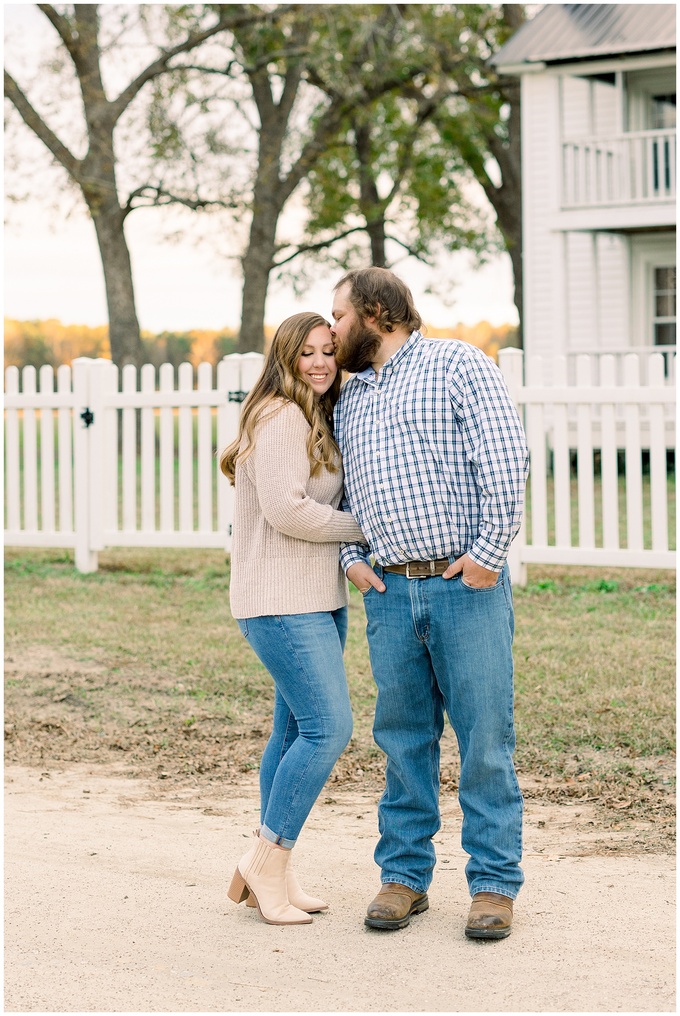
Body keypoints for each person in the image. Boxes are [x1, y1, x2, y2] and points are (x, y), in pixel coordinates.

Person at [331, 267, 529, 939]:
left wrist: (488, 555)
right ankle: (404, 878)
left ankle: (494, 885)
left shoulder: (456, 365)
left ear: (377, 312)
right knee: (402, 739)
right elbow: (343, 496)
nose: (332, 332)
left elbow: (506, 460)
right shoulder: (351, 397)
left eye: (339, 316)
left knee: (483, 739)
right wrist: (352, 561)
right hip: (388, 593)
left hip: (462, 587)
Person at [220, 311, 366, 926]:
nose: (319, 362)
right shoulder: (280, 416)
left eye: (328, 350)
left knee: (289, 735)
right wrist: (372, 528)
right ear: (283, 357)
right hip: (280, 604)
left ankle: (272, 874)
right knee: (328, 729)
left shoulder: (312, 415)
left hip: (315, 597)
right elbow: (288, 512)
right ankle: (265, 859)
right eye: (305, 352)